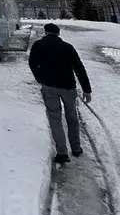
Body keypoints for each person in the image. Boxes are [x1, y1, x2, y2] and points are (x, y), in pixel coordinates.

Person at [29, 22, 92, 165]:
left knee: (55, 118)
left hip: (49, 87)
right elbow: (79, 68)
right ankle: (76, 148)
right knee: (72, 117)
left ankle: (62, 152)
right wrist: (87, 89)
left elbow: (32, 64)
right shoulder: (67, 47)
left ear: (45, 32)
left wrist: (40, 78)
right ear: (58, 33)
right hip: (68, 87)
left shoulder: (38, 46)